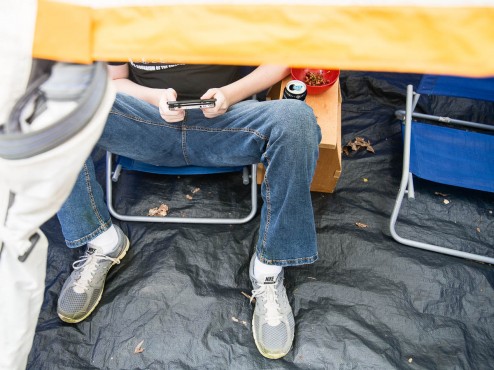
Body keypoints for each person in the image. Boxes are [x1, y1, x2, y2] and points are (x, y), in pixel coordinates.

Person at [56, 61, 321, 359]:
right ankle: (103, 242)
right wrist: (154, 97)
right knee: (57, 103)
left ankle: (269, 270)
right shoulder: (123, 13)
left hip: (227, 123)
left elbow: (280, 58)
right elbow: (114, 79)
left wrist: (230, 94)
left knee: (297, 120)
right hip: (148, 125)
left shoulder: (237, 11)